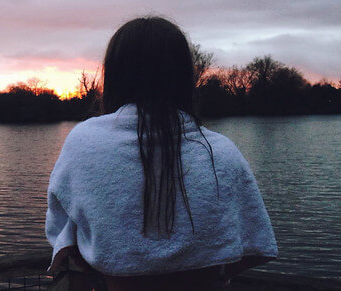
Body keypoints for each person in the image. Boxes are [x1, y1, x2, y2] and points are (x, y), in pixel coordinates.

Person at [46, 17, 277, 290]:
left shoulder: (83, 144)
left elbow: (64, 236)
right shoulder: (221, 151)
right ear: (182, 77)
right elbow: (254, 245)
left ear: (116, 75)